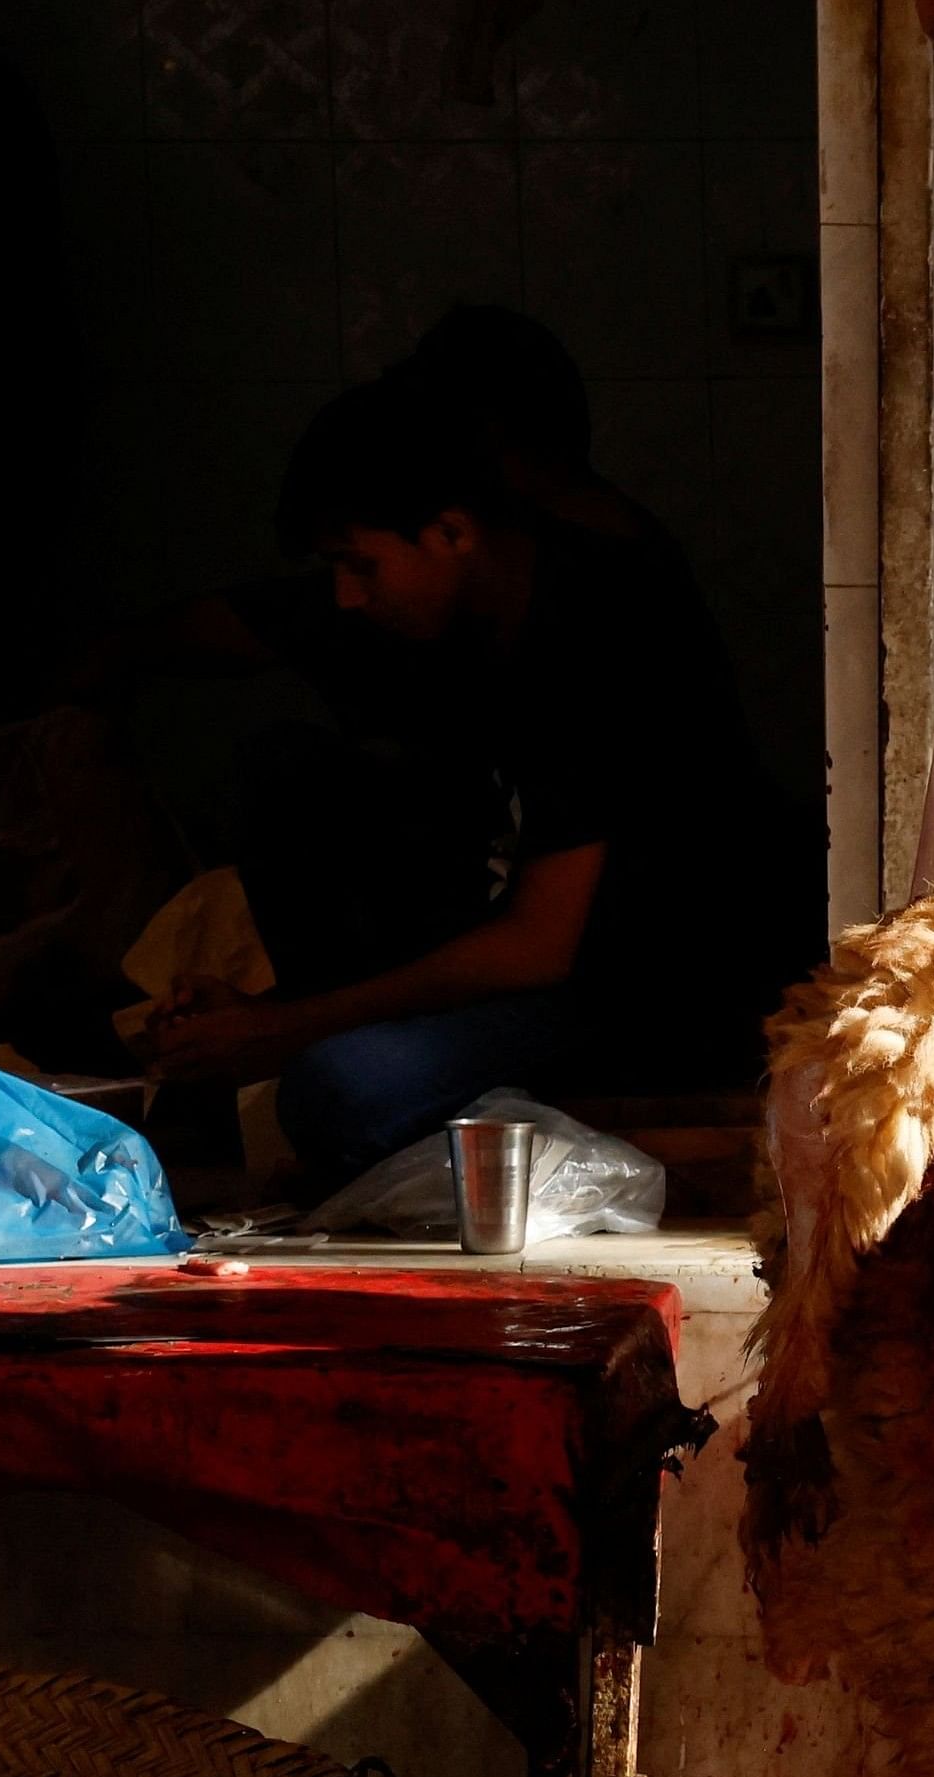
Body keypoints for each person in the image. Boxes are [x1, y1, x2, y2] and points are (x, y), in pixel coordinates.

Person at [141, 374, 804, 1180]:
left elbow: (538, 945)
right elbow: (255, 626)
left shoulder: (597, 629)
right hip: (536, 961)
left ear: (452, 532)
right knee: (292, 775)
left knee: (336, 1091)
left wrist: (287, 1028)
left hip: (657, 984)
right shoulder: (456, 616)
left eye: (360, 565)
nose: (347, 596)